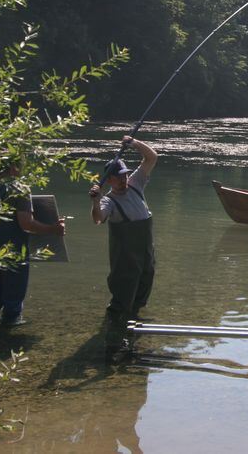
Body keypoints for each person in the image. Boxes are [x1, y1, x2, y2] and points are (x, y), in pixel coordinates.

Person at [89, 135, 158, 360]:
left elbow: (151, 157)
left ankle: (132, 325)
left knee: (144, 286)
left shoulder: (136, 183)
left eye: (125, 175)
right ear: (109, 181)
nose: (124, 180)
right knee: (123, 295)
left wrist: (134, 143)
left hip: (145, 252)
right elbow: (97, 219)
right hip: (125, 258)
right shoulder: (108, 201)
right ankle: (114, 338)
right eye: (118, 177)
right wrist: (94, 201)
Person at [0, 159, 66, 327]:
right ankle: (10, 325)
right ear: (13, 167)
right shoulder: (20, 189)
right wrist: (54, 229)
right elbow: (26, 224)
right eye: (21, 165)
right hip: (14, 249)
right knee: (14, 292)